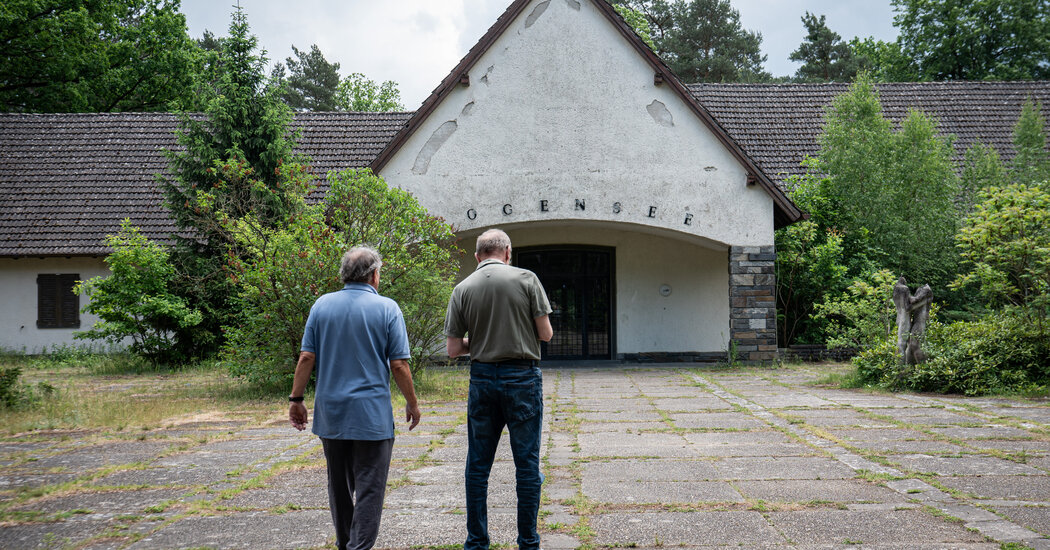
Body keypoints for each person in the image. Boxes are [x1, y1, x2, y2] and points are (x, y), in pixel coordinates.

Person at [289, 246, 421, 550]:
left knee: (339, 486)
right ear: (374, 275)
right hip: (371, 416)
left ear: (344, 275)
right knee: (370, 487)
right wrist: (412, 403)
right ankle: (359, 546)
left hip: (332, 414)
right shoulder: (388, 308)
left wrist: (296, 399)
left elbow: (307, 356)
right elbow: (399, 364)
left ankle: (346, 543)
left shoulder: (321, 305)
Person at [444, 228, 554, 550]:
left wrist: (479, 341)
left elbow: (452, 349)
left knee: (477, 467)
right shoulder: (527, 279)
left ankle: (477, 542)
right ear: (507, 252)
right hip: (522, 379)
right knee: (527, 466)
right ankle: (528, 542)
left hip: (481, 380)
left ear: (477, 255)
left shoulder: (462, 288)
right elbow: (545, 334)